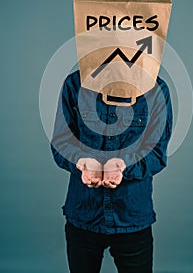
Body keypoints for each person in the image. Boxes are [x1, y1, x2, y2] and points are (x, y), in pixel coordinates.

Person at [51, 68, 173, 273]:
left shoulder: (156, 90)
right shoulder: (75, 84)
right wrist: (81, 162)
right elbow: (61, 143)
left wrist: (124, 166)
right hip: (83, 214)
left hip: (132, 216)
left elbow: (157, 154)